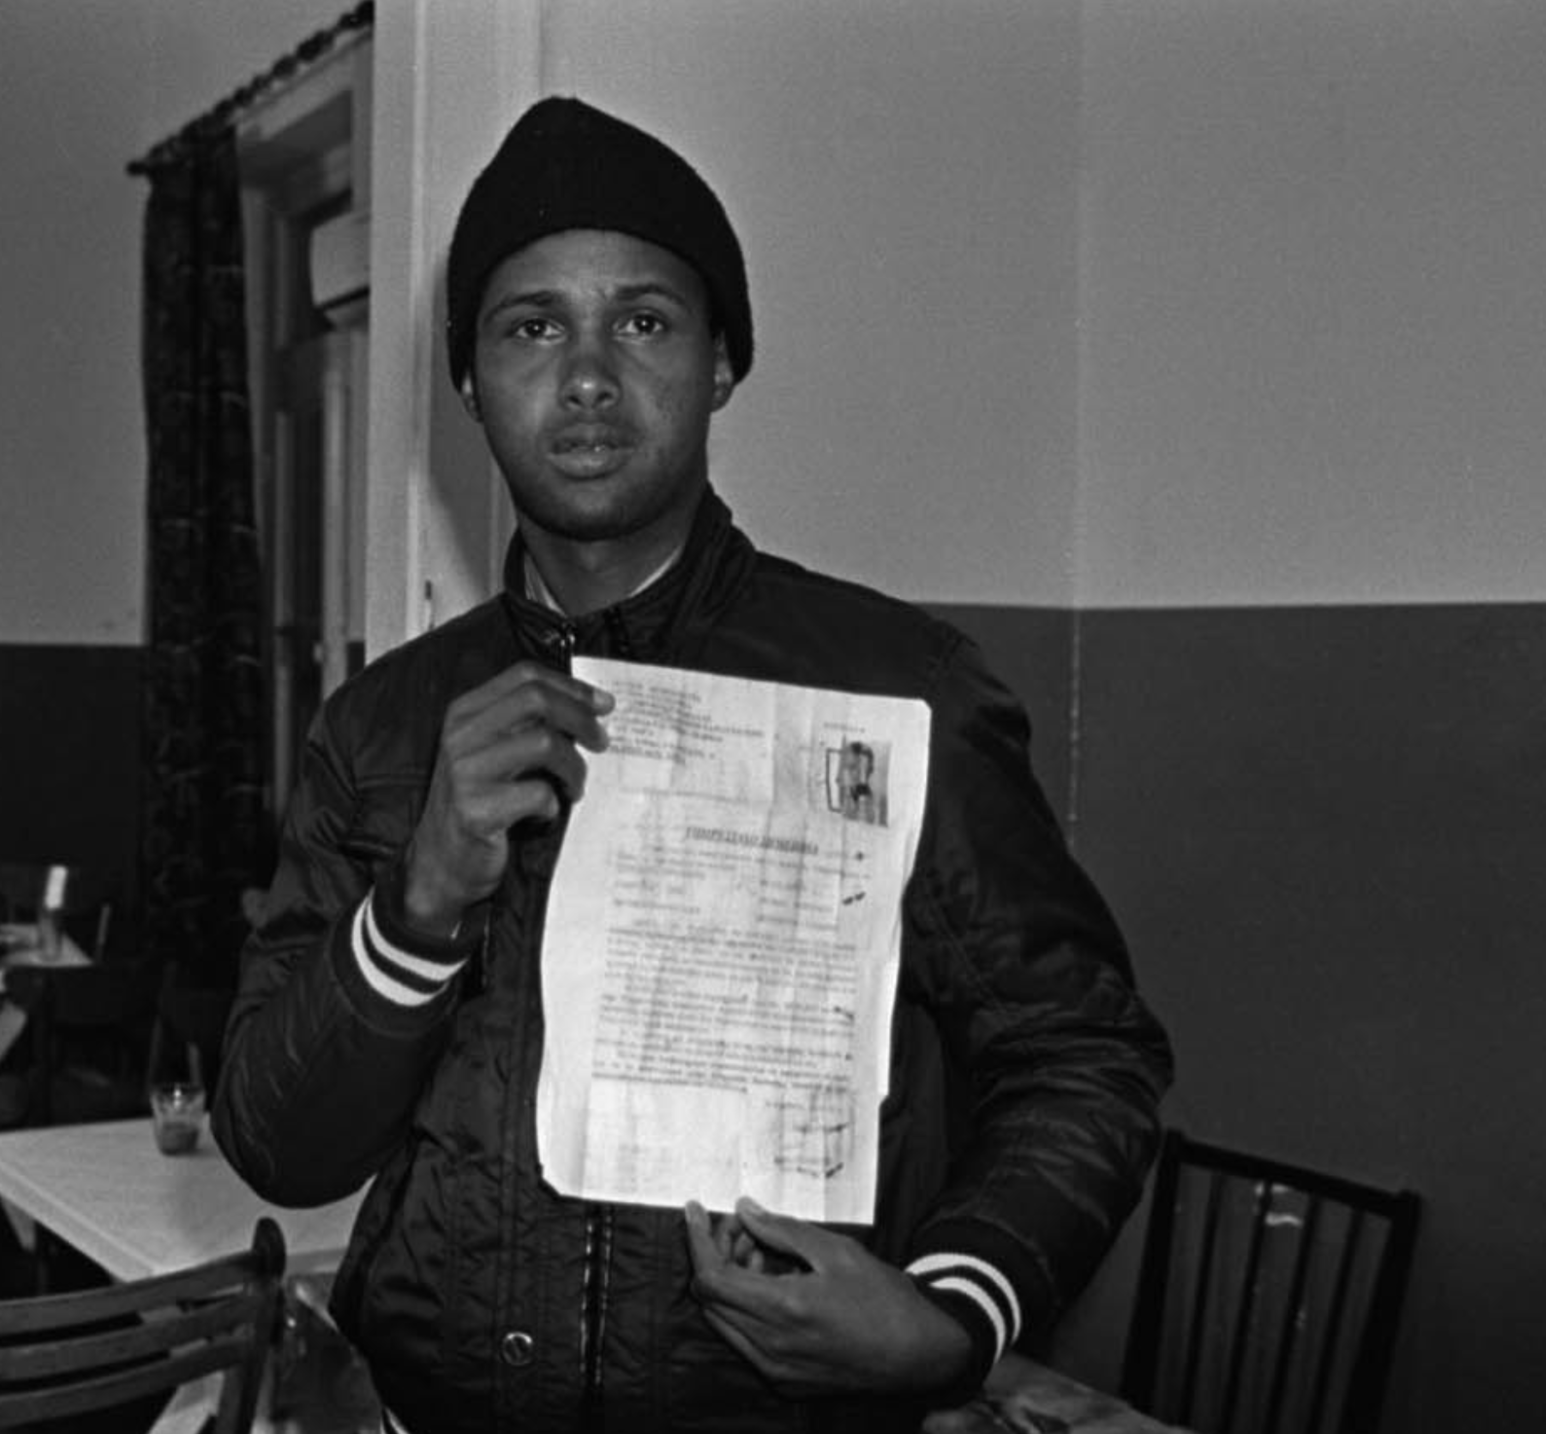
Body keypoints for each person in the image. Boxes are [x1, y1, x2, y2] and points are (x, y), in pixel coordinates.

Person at [213, 95, 1172, 1433]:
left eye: (644, 321)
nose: (589, 373)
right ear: (472, 382)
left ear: (722, 362)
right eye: (532, 325)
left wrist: (957, 1306)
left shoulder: (900, 693)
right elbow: (275, 1140)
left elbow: (1083, 1051)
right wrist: (415, 910)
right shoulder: (378, 731)